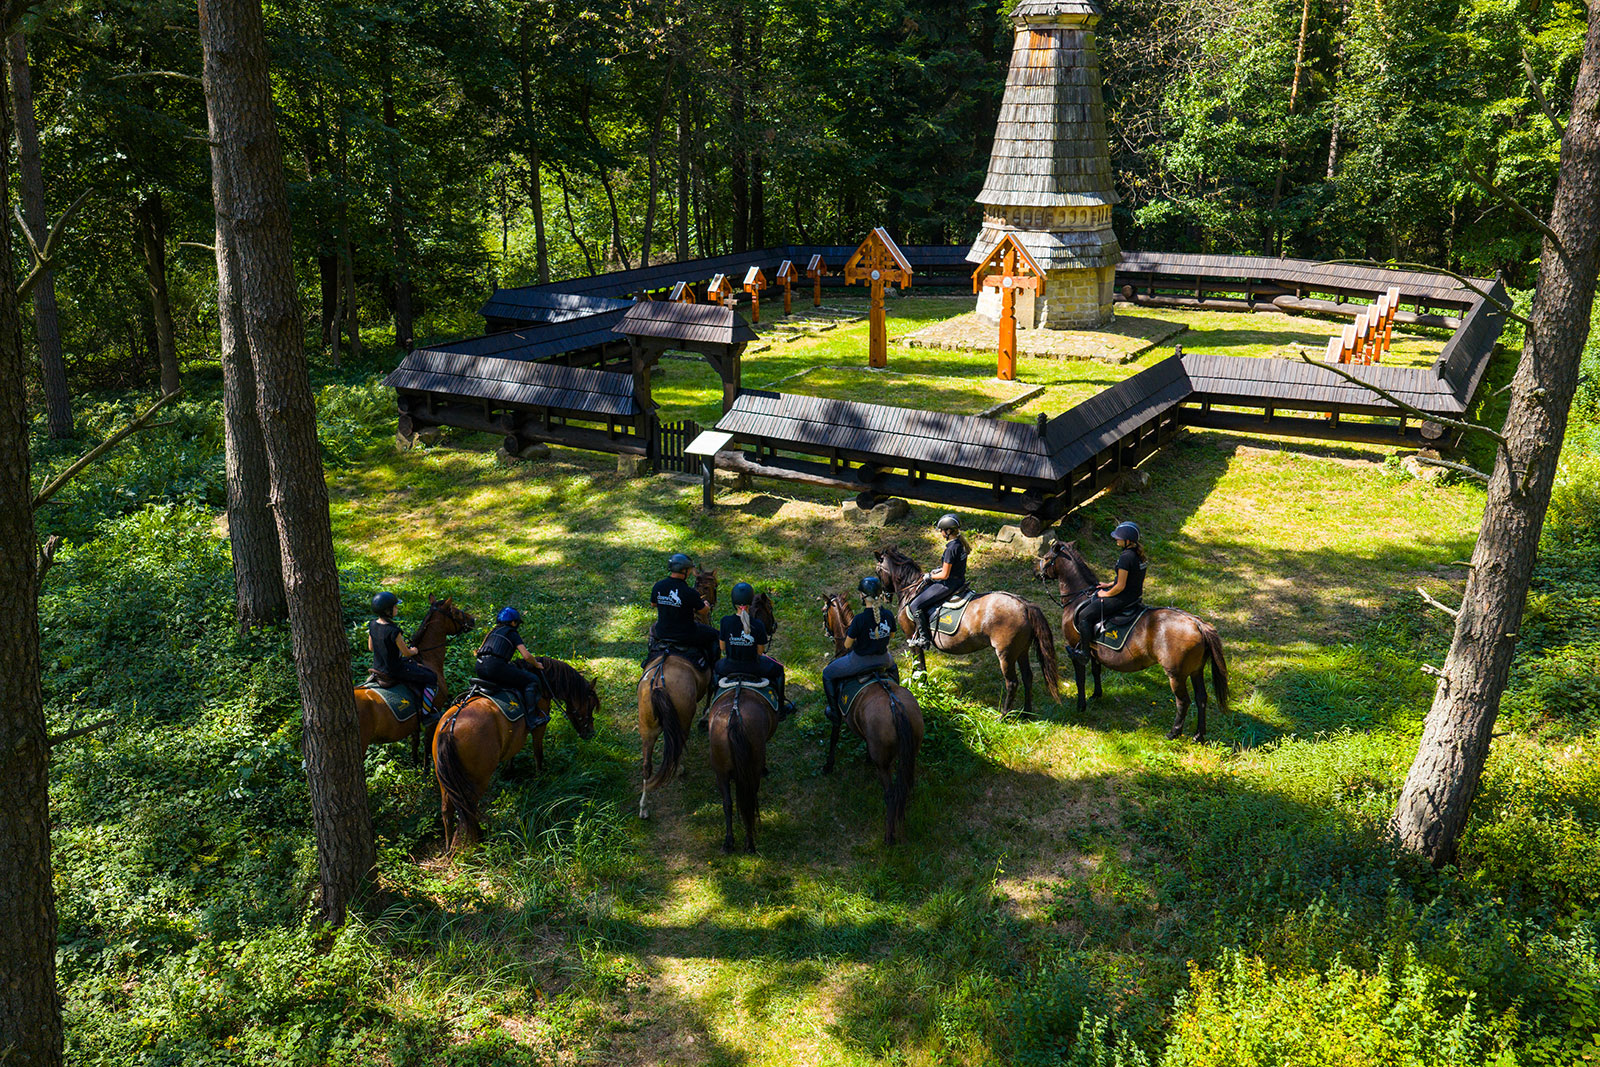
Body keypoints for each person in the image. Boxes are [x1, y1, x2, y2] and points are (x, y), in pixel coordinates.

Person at [822, 576, 901, 725]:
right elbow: (892, 635)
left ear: (863, 596)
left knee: (827, 674)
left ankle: (834, 712)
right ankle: (896, 691)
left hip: (860, 661)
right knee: (894, 667)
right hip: (884, 658)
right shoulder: (889, 615)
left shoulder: (859, 619)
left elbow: (846, 645)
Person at [713, 582, 796, 718]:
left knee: (715, 670)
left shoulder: (725, 621)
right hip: (753, 667)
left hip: (729, 666)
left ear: (734, 601)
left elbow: (722, 647)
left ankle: (713, 702)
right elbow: (760, 652)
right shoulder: (757, 624)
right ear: (750, 602)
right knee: (779, 670)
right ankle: (781, 709)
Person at [1069, 521, 1148, 662]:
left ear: (1127, 541)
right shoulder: (1137, 554)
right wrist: (1109, 584)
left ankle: (1084, 654)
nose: (1116, 539)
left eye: (1119, 538)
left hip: (1123, 598)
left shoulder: (1125, 557)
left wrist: (1106, 593)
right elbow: (1129, 577)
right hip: (1134, 595)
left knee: (1084, 615)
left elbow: (1120, 587)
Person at [473, 606, 549, 728]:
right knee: (532, 680)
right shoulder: (512, 633)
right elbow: (526, 656)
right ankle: (532, 718)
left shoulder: (492, 632)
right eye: (517, 623)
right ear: (513, 622)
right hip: (496, 667)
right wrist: (536, 664)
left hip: (479, 666)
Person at [368, 592, 439, 716]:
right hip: (395, 670)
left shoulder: (372, 624)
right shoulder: (394, 630)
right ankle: (426, 713)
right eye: (395, 606)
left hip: (378, 668)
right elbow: (406, 653)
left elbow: (371, 647)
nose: (397, 608)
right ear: (388, 611)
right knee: (431, 677)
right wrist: (414, 650)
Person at [906, 514, 970, 649]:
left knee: (915, 605)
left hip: (948, 585)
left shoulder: (950, 549)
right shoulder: (959, 544)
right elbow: (951, 568)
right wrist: (938, 570)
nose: (940, 533)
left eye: (941, 530)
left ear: (948, 531)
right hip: (959, 581)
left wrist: (929, 576)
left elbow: (945, 575)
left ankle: (924, 639)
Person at [650, 552, 719, 667]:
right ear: (684, 571)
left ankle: (650, 658)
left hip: (662, 631)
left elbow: (653, 604)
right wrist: (706, 604)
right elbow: (703, 611)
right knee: (716, 635)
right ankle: (714, 670)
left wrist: (667, 603)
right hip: (686, 634)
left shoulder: (659, 586)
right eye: (689, 570)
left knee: (652, 631)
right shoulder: (689, 592)